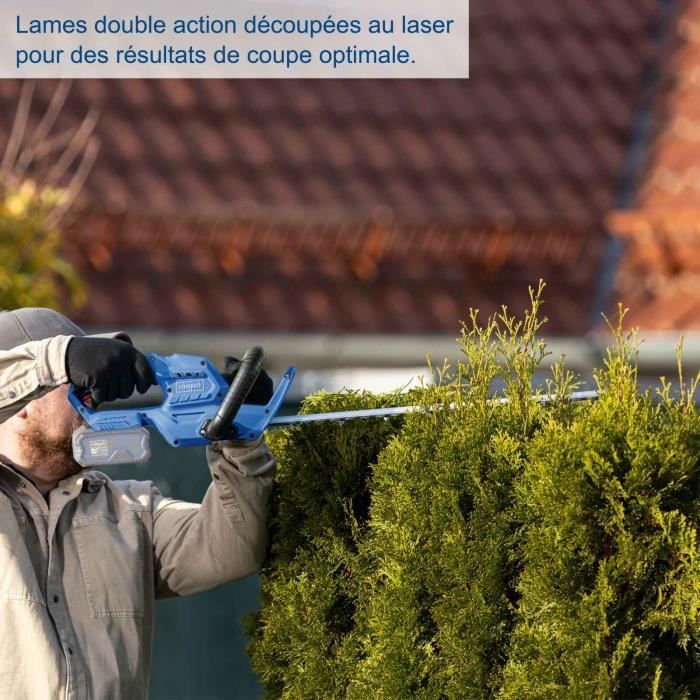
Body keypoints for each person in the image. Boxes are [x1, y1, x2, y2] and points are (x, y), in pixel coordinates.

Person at [0, 308, 276, 700]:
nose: (94, 396)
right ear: (23, 400)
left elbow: (235, 547)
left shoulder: (130, 510)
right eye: (77, 383)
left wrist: (239, 440)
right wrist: (56, 361)